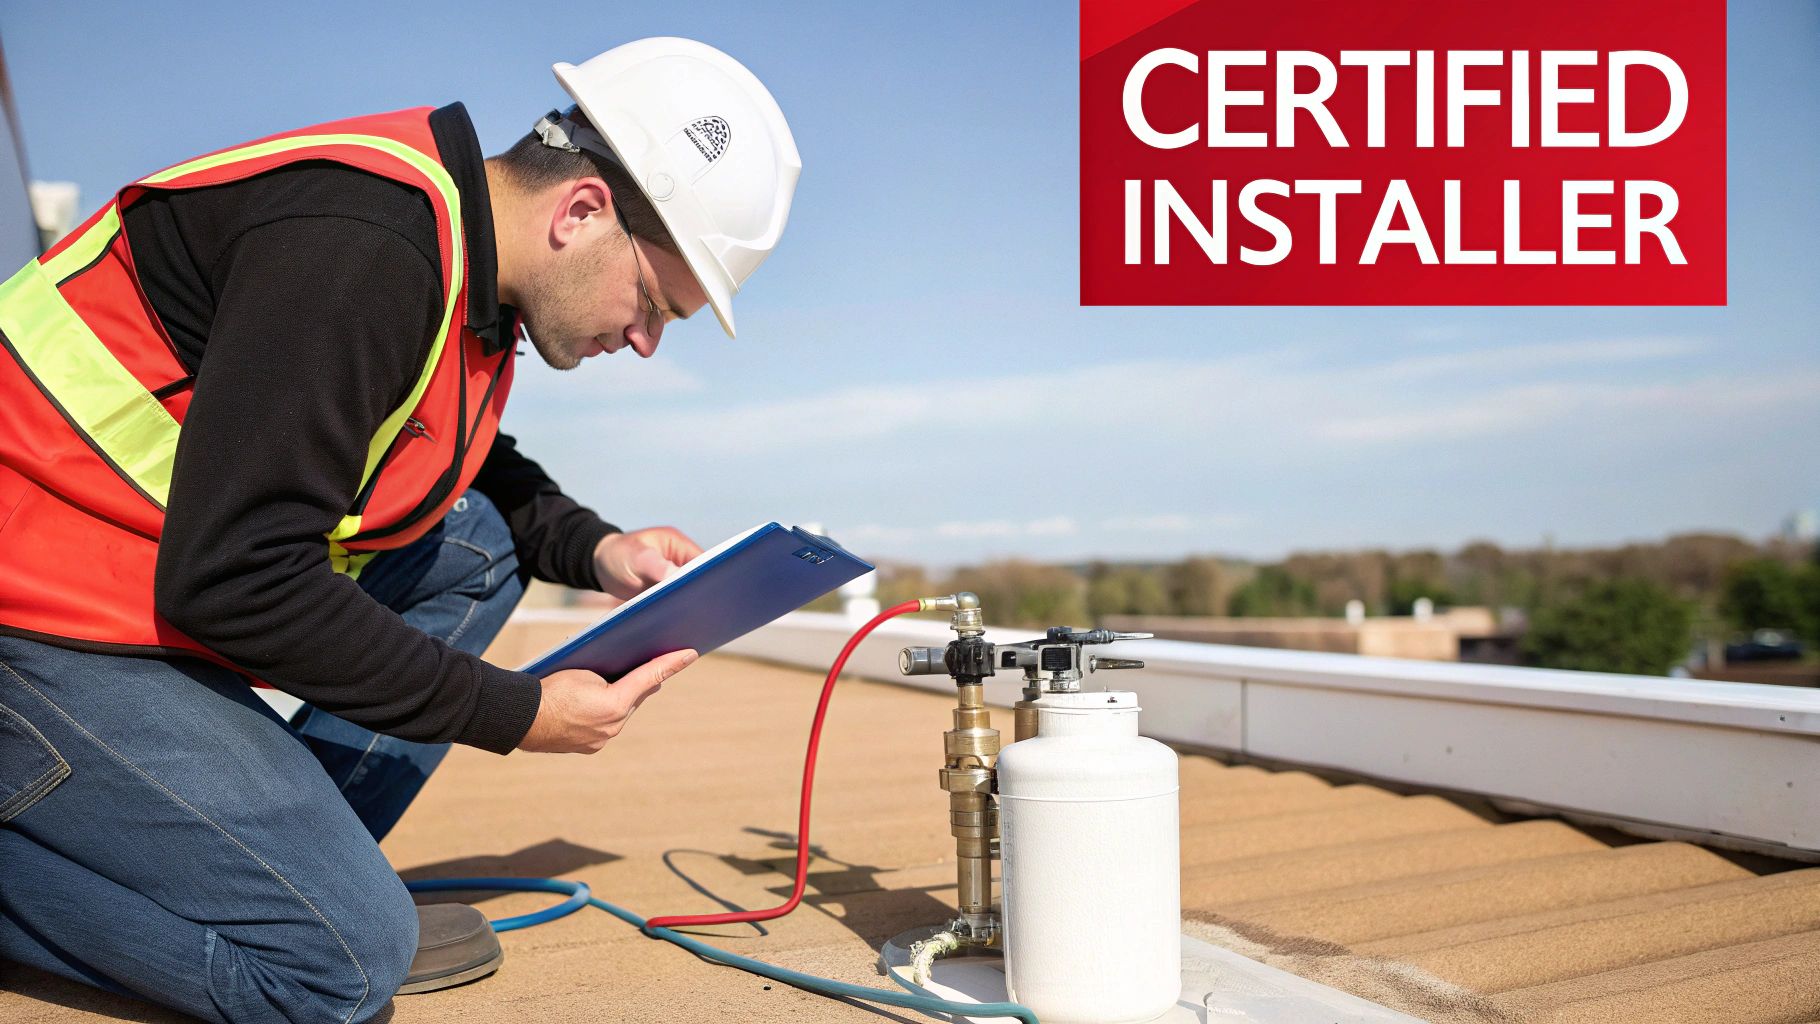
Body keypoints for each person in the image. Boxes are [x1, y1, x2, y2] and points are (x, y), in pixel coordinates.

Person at [0, 36, 801, 1023]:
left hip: (128, 587)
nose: (644, 342)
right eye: (654, 302)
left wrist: (598, 548)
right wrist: (516, 714)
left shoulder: (461, 263)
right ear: (582, 212)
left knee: (476, 543)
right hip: (34, 619)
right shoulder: (361, 247)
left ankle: (270, 867)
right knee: (337, 962)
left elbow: (456, 455)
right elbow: (239, 580)